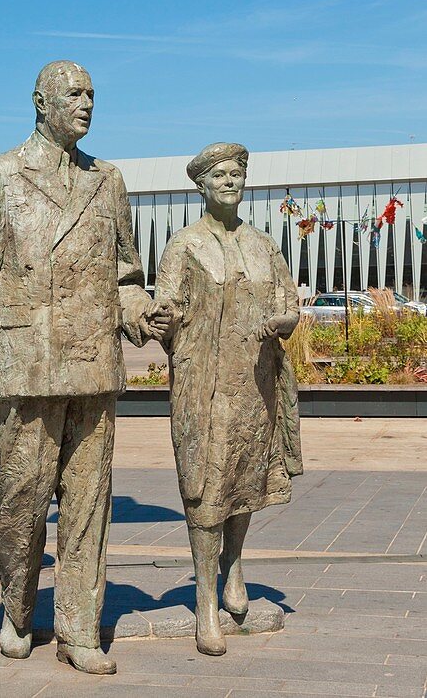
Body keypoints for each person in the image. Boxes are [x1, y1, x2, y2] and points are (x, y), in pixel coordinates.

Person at [0, 61, 167, 675]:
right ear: (40, 103)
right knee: (21, 500)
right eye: (74, 94)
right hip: (26, 363)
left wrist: (138, 313)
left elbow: (123, 273)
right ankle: (18, 606)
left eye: (93, 94)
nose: (87, 103)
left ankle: (78, 627)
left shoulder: (108, 181)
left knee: (89, 503)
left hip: (93, 363)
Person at [154, 142, 302, 656]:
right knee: (205, 488)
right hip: (203, 386)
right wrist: (163, 319)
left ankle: (234, 569)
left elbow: (289, 304)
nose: (229, 181)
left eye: (237, 173)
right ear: (202, 184)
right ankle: (205, 601)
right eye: (219, 174)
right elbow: (166, 303)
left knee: (245, 480)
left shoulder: (263, 245)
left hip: (255, 384)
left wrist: (284, 320)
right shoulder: (184, 245)